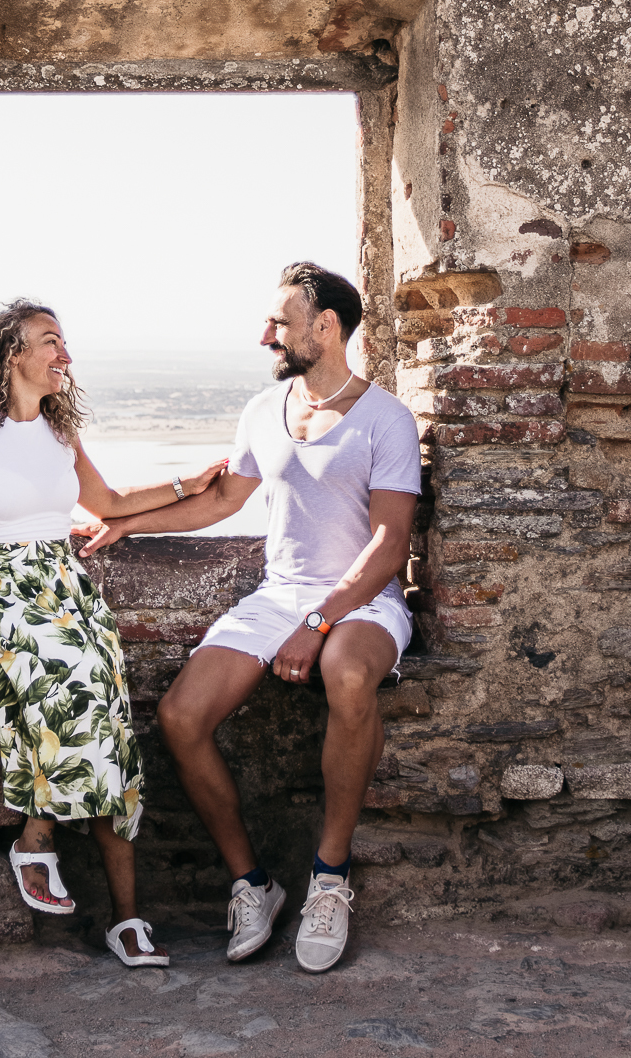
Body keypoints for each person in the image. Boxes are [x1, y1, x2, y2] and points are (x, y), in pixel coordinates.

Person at [77, 262, 421, 973]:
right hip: (280, 596)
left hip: (361, 600)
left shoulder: (386, 418)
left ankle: (329, 878)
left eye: (281, 322)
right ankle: (252, 884)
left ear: (325, 327)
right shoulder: (264, 412)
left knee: (347, 676)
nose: (267, 335)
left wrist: (322, 621)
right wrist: (130, 527)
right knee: (180, 715)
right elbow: (223, 502)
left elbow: (389, 548)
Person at [0, 298, 226, 968]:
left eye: (63, 344)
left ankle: (124, 914)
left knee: (111, 723)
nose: (64, 356)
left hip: (62, 588)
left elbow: (111, 505)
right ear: (12, 355)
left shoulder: (60, 434)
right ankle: (37, 839)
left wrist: (191, 481)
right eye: (50, 342)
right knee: (80, 685)